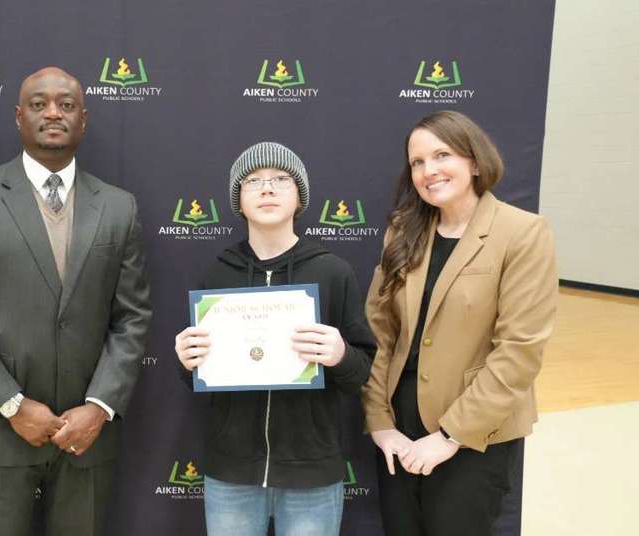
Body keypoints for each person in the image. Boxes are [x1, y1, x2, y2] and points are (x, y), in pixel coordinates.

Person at [0, 66, 152, 536]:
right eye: (39, 104)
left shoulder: (119, 206)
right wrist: (11, 404)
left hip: (86, 434)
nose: (53, 113)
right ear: (18, 116)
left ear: (83, 119)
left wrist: (100, 407)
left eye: (66, 105)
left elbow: (131, 318)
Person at [361, 110, 557, 535]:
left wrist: (450, 436)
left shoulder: (523, 232)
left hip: (476, 432)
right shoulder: (402, 231)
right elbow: (378, 332)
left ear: (474, 160)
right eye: (417, 162)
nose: (428, 170)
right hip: (400, 428)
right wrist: (380, 421)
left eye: (442, 155)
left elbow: (519, 351)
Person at [174, 141, 375, 536]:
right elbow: (198, 377)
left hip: (312, 473)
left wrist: (340, 354)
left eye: (281, 179)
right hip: (231, 472)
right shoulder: (217, 275)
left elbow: (361, 373)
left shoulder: (333, 272)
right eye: (253, 181)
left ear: (300, 196)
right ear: (238, 199)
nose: (267, 188)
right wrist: (186, 361)